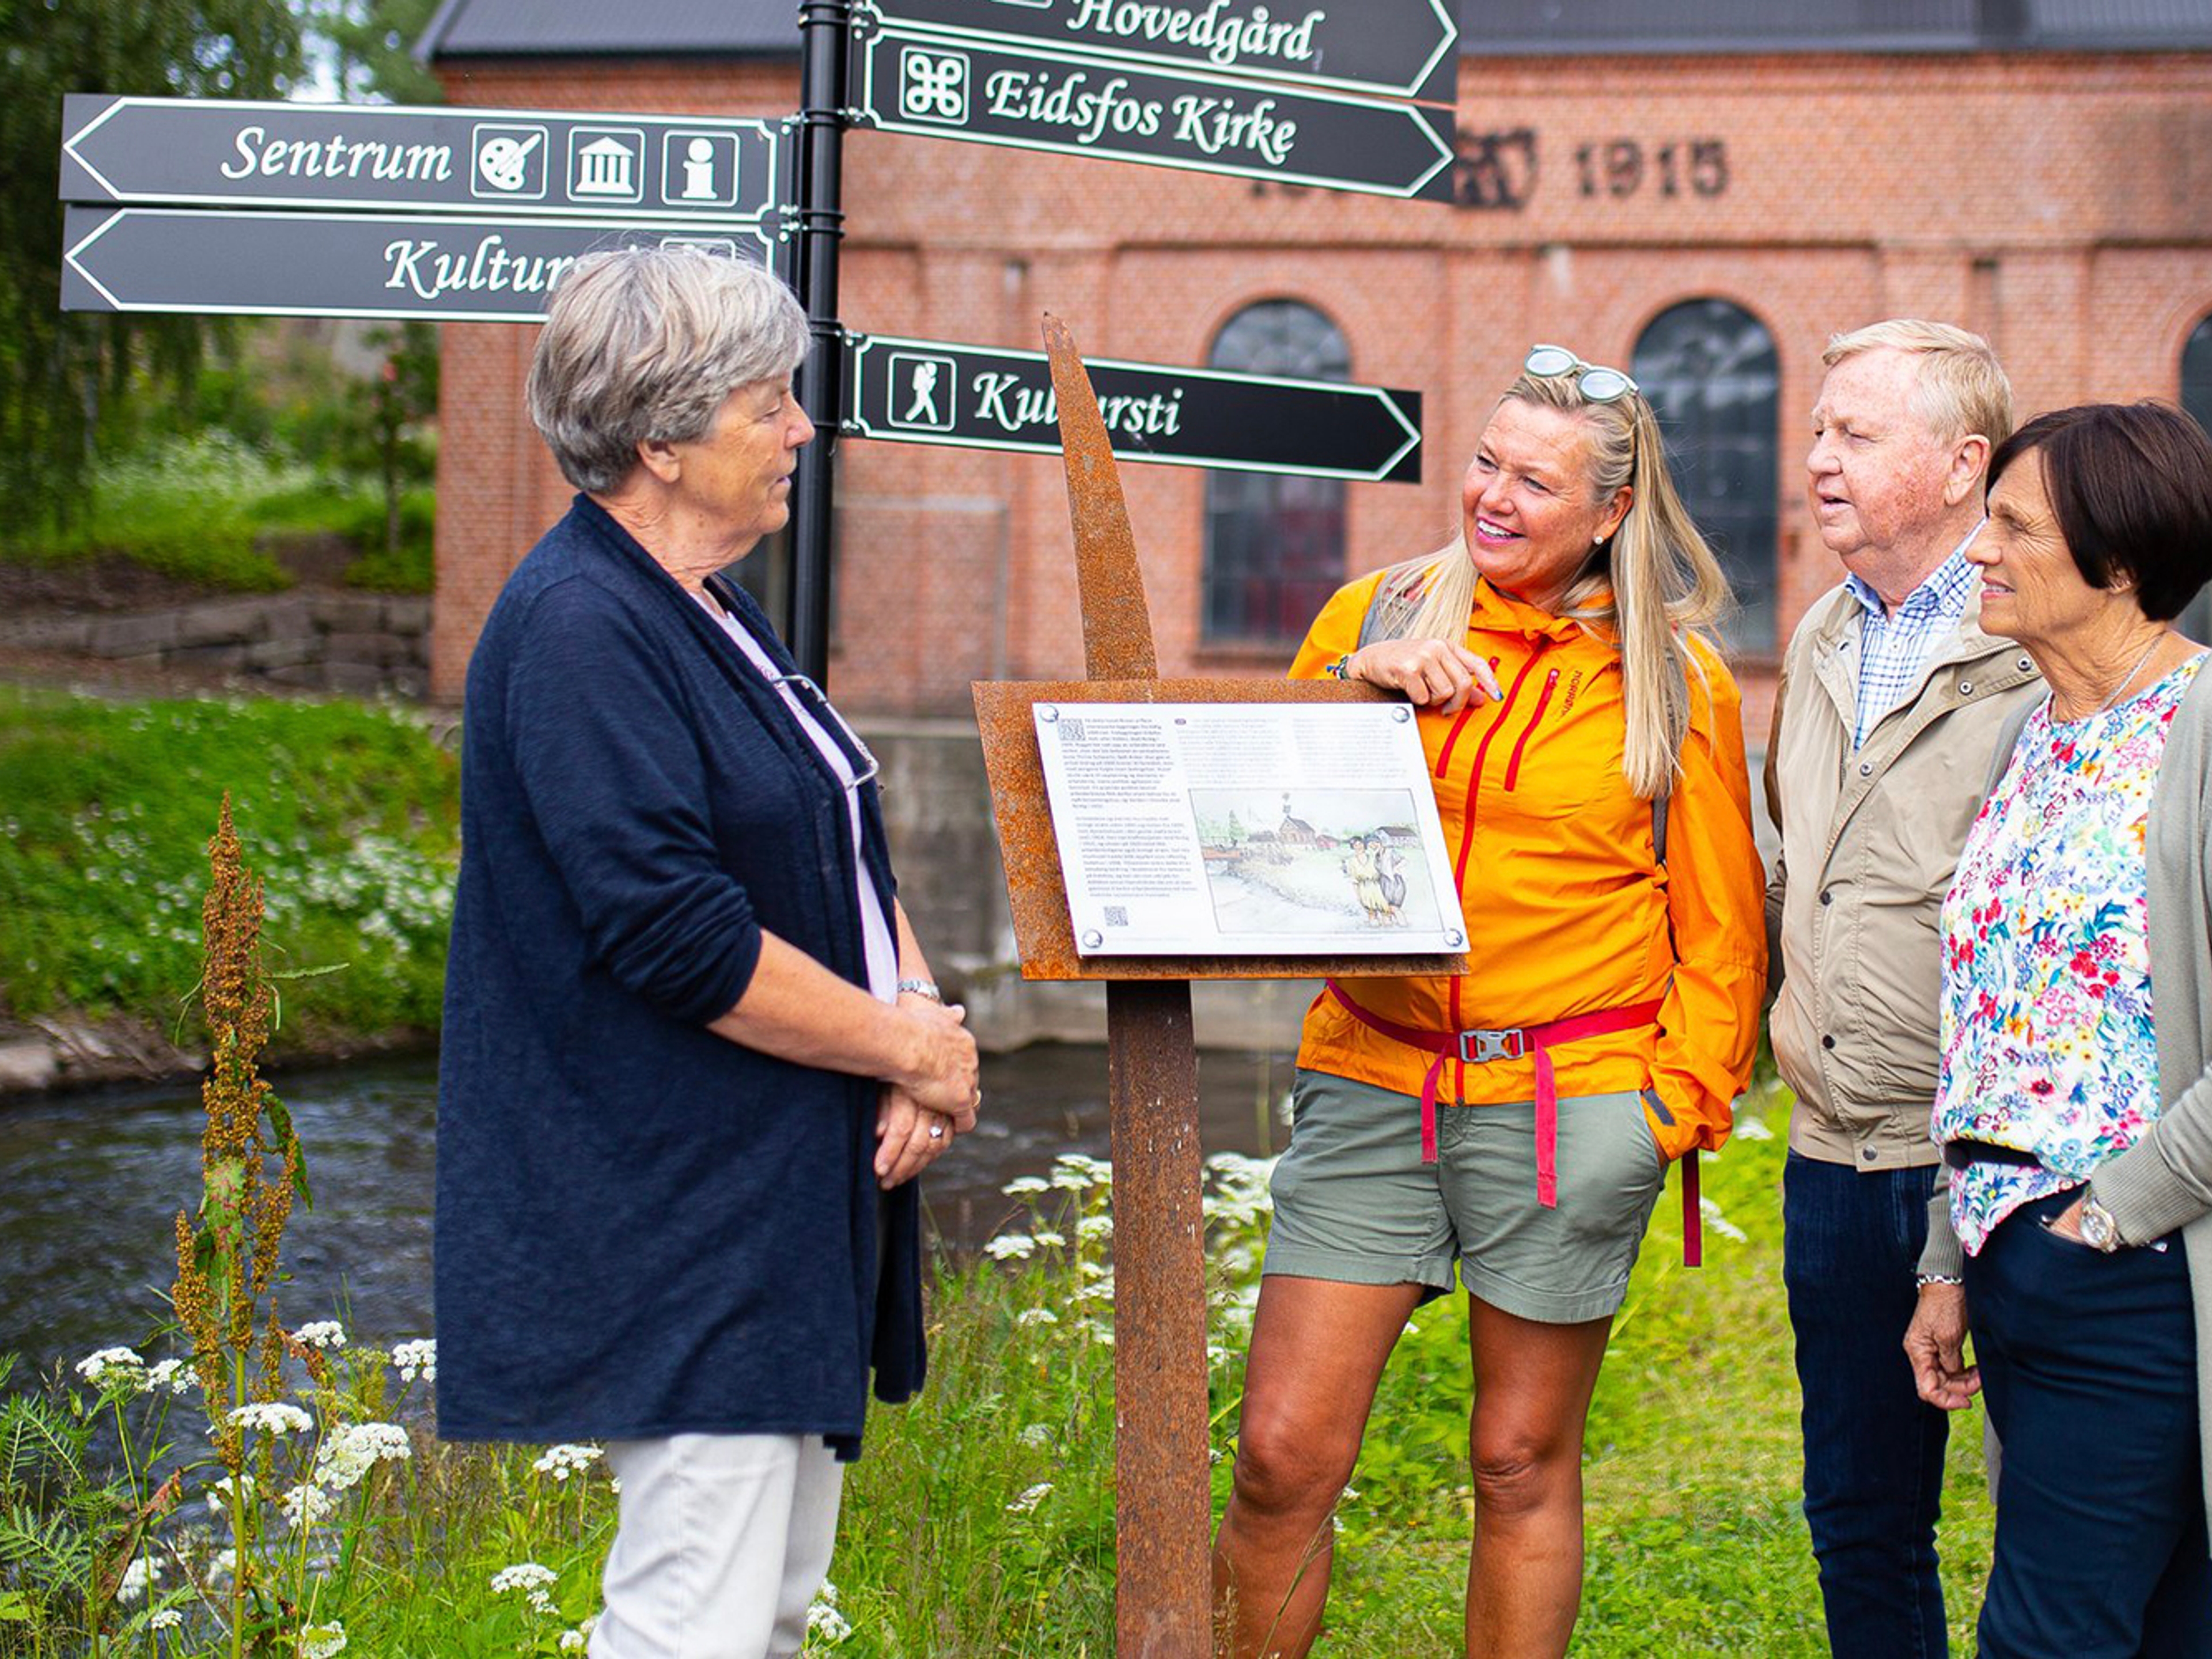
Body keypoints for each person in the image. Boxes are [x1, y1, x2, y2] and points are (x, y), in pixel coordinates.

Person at [433, 247, 982, 1659]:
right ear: (662, 440)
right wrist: (909, 1049)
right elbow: (675, 934)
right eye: (767, 404)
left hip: (763, 1214)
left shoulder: (713, 608)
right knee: (698, 1621)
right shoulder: (579, 628)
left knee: (769, 1612)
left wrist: (920, 1008)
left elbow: (835, 834)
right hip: (672, 1220)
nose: (803, 428)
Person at [1211, 346, 1766, 1657]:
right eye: (1484, 463)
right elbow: (1244, 811)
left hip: (1571, 1102)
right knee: (1282, 1457)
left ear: (1611, 511)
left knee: (1518, 1460)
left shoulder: (1675, 683)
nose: (1493, 498)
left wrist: (1668, 1110)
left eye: (1534, 479)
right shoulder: (1375, 612)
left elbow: (1724, 928)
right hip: (1373, 1080)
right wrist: (1363, 691)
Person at [1906, 402, 2212, 1656]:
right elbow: (1989, 1028)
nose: (1976, 548)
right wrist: (1949, 1251)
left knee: (2047, 1635)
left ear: (2122, 562)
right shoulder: (2030, 738)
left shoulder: (2199, 731)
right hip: (2022, 1258)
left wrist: (2113, 1215)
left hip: (2142, 1271)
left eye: (2014, 524)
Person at [1764, 319, 2038, 1657]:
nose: (1816, 458)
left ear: (1958, 464)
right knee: (1861, 1517)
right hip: (1832, 1156)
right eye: (1817, 430)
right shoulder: (1818, 634)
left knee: (2054, 1515)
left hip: (1997, 1164)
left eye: (1854, 434)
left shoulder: (2039, 654)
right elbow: (1791, 871)